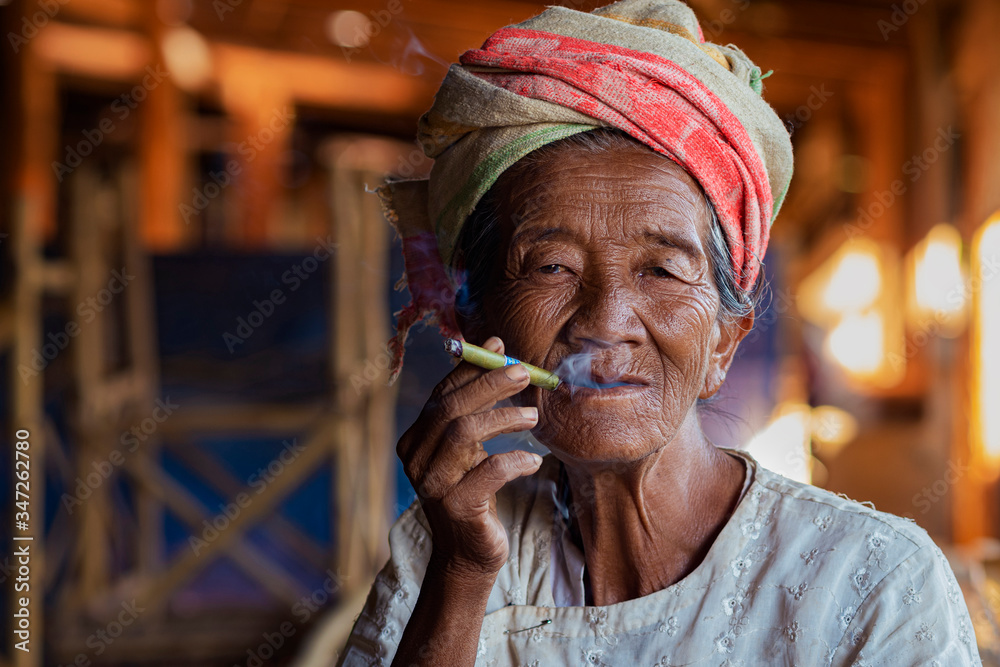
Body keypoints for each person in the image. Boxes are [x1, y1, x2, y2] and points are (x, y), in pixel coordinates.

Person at [336, 1, 983, 665]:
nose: (607, 320)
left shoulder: (874, 585)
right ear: (478, 323)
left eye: (663, 270)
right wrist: (463, 577)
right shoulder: (444, 545)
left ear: (724, 342)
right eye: (552, 265)